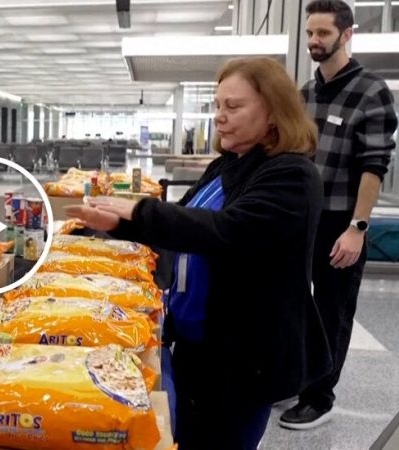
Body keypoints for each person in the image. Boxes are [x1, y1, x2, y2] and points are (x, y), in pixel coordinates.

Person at [65, 57, 331, 450]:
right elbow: (187, 224)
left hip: (243, 357)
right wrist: (118, 225)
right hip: (198, 346)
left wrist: (139, 209)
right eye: (218, 106)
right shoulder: (229, 164)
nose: (219, 118)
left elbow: (227, 231)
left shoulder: (291, 175)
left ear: (274, 112)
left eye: (233, 107)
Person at [280, 0, 399, 430]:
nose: (314, 41)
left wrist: (357, 229)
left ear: (346, 35)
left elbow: (374, 166)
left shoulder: (371, 90)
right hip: (302, 218)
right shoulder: (305, 94)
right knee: (294, 303)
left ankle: (319, 396)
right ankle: (295, 378)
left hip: (341, 221)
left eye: (323, 34)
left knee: (332, 308)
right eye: (310, 33)